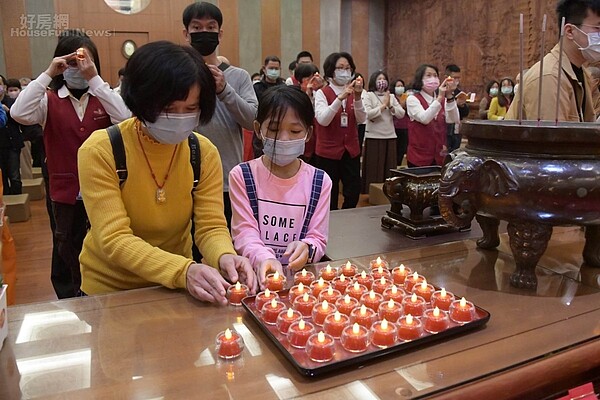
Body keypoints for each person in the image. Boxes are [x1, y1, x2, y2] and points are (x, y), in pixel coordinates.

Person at [78, 41, 257, 303]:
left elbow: (210, 226)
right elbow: (114, 239)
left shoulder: (203, 152)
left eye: (191, 109)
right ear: (140, 101)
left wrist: (223, 255)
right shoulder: (101, 149)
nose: (179, 118)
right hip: (110, 291)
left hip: (177, 288)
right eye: (168, 109)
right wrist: (182, 270)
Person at [11, 29, 131, 299]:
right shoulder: (48, 101)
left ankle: (98, 290)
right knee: (65, 242)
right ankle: (70, 295)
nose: (78, 68)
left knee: (103, 240)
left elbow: (124, 118)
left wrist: (94, 78)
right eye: (72, 63)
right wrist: (48, 73)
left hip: (103, 188)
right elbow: (18, 113)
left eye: (84, 61)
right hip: (64, 189)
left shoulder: (103, 95)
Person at [230, 85, 332, 289]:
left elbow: (317, 237)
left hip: (299, 285)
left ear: (308, 133)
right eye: (274, 130)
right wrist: (264, 258)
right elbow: (244, 233)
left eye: (295, 131)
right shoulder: (242, 175)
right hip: (255, 280)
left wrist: (307, 248)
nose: (284, 139)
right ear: (258, 129)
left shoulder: (320, 181)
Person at [182, 2, 258, 228]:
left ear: (220, 33)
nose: (204, 32)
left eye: (211, 27)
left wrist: (225, 90)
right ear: (186, 34)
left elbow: (252, 121)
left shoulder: (239, 76)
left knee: (224, 245)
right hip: (182, 178)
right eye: (197, 27)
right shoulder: (177, 74)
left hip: (225, 178)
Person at [506, 0, 598, 122]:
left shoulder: (581, 73)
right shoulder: (549, 77)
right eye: (598, 28)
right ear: (570, 31)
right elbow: (550, 138)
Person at [313, 52, 366, 210]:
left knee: (353, 191)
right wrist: (340, 98)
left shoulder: (354, 92)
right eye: (340, 68)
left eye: (348, 68)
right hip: (327, 153)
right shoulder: (322, 93)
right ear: (331, 70)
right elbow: (323, 119)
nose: (345, 72)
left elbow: (362, 119)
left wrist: (357, 98)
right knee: (329, 193)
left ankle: (347, 219)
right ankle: (332, 223)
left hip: (350, 150)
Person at [406, 64, 459, 167]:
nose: (433, 79)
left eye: (435, 75)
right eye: (428, 75)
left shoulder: (443, 100)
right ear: (420, 79)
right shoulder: (413, 99)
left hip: (439, 155)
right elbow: (425, 119)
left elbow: (453, 119)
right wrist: (439, 97)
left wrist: (449, 96)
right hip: (419, 156)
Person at [361, 71, 405, 193]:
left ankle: (389, 192)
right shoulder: (369, 95)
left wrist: (390, 105)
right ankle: (372, 193)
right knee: (374, 167)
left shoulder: (390, 96)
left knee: (388, 167)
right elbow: (367, 114)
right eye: (379, 79)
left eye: (384, 79)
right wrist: (383, 105)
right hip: (374, 136)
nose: (382, 81)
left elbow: (401, 114)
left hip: (390, 135)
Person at [252, 55, 286, 158]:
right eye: (271, 68)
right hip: (262, 129)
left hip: (280, 128)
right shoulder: (257, 88)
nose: (274, 71)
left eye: (276, 68)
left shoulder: (284, 87)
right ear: (264, 69)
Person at [5, 78, 34, 180]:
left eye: (15, 90)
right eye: (10, 90)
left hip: (23, 137)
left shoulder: (19, 102)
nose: (13, 92)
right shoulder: (5, 102)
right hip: (7, 140)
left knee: (25, 165)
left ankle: (29, 184)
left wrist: (9, 112)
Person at [0, 75, 24, 195]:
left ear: (4, 87)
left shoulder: (13, 102)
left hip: (13, 143)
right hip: (1, 144)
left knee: (15, 175)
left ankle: (18, 199)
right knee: (2, 176)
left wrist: (9, 112)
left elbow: (21, 120)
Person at [444, 64, 469, 153]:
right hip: (444, 129)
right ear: (447, 77)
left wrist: (461, 105)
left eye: (458, 78)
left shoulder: (459, 92)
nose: (456, 80)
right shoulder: (440, 92)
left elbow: (465, 113)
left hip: (457, 129)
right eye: (454, 77)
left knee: (455, 153)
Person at [392, 79, 409, 166]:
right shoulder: (392, 98)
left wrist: (405, 105)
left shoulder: (406, 97)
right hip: (395, 127)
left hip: (405, 126)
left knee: (402, 149)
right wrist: (401, 105)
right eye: (398, 86)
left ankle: (399, 164)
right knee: (395, 149)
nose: (400, 88)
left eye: (401, 86)